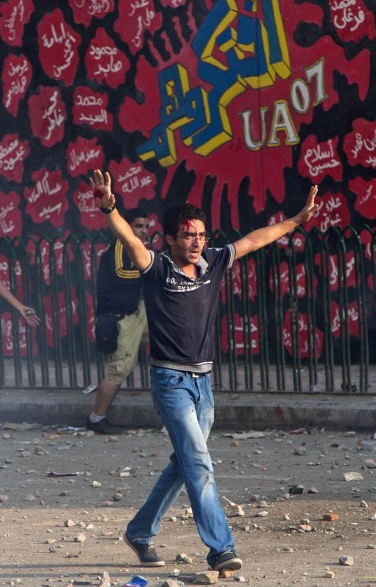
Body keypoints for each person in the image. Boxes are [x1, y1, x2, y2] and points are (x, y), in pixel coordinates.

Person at [89, 168, 318, 573]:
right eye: (188, 235)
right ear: (170, 239)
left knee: (184, 465)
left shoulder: (213, 262)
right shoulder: (157, 267)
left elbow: (255, 239)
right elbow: (130, 239)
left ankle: (139, 532)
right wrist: (109, 209)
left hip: (203, 384)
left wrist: (297, 220)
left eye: (201, 235)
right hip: (170, 383)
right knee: (199, 464)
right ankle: (221, 549)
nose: (197, 242)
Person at [86, 207, 150, 435]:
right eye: (139, 226)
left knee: (170, 344)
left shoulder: (136, 246)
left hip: (137, 311)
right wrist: (149, 271)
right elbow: (120, 273)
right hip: (121, 317)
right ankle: (96, 419)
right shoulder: (121, 244)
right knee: (119, 370)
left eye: (147, 226)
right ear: (127, 226)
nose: (144, 231)